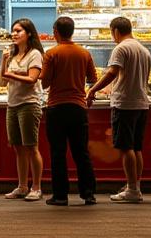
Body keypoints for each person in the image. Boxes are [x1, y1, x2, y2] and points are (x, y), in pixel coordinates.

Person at [85, 17, 151, 203]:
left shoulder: (121, 48)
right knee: (136, 148)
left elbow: (112, 72)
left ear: (115, 31)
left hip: (125, 103)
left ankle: (131, 189)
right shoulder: (143, 49)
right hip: (141, 103)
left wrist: (93, 89)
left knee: (126, 147)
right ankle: (135, 186)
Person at [42, 16, 98, 206]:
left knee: (58, 152)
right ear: (72, 31)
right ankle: (88, 194)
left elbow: (44, 82)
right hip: (78, 107)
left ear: (55, 31)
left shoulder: (51, 53)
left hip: (56, 107)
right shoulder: (84, 53)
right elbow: (92, 78)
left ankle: (60, 196)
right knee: (81, 152)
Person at [0, 18, 45, 201]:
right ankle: (22, 186)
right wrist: (3, 60)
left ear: (29, 33)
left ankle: (36, 187)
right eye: (13, 31)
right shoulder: (13, 55)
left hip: (29, 104)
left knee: (31, 147)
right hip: (13, 104)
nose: (14, 34)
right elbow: (1, 81)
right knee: (18, 148)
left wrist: (10, 74)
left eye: (18, 31)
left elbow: (32, 79)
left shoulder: (35, 54)